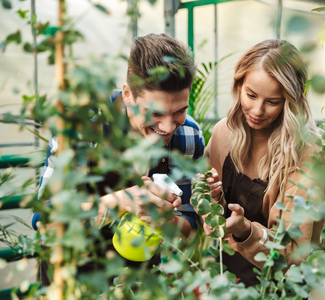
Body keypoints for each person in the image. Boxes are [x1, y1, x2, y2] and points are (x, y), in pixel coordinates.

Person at [32, 33, 204, 269]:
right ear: (127, 95)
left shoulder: (189, 136)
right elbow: (45, 224)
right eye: (155, 113)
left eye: (179, 111)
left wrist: (168, 221)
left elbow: (190, 229)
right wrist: (120, 202)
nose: (167, 126)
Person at [204, 39, 325, 287]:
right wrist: (211, 201)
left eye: (273, 101)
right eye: (250, 95)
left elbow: (295, 253)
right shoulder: (223, 133)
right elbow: (210, 211)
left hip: (277, 286)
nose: (257, 110)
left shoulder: (306, 156)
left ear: (290, 101)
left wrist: (245, 231)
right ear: (238, 85)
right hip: (223, 277)